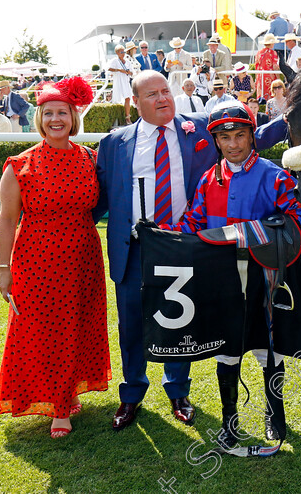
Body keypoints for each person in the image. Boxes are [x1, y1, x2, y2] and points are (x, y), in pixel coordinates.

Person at [163, 101, 301, 449]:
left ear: (251, 136)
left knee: (267, 351)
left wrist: (254, 233)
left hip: (264, 281)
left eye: (240, 135)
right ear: (216, 140)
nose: (233, 144)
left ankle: (275, 414)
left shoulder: (274, 175)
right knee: (226, 351)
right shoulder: (207, 179)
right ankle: (229, 420)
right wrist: (162, 235)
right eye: (225, 137)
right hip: (223, 280)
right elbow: (192, 225)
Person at [93, 71, 220, 432]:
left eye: (167, 91)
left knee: (178, 322)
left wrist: (290, 119)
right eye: (152, 94)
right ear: (136, 102)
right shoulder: (115, 142)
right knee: (131, 325)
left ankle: (178, 391)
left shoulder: (199, 128)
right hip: (133, 248)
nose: (163, 98)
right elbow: (99, 197)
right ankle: (131, 394)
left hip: (182, 247)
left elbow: (247, 137)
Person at [0, 76, 110, 438]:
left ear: (74, 118)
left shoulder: (90, 160)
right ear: (39, 118)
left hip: (83, 258)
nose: (55, 120)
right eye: (48, 114)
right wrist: (3, 269)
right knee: (43, 331)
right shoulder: (20, 165)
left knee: (78, 326)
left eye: (63, 112)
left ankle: (68, 392)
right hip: (37, 260)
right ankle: (59, 408)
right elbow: (7, 220)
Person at [107, 44, 135, 124]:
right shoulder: (114, 61)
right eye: (121, 52)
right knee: (117, 99)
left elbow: (132, 72)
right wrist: (119, 70)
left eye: (124, 51)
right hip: (118, 81)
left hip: (125, 81)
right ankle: (117, 119)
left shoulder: (128, 62)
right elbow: (109, 68)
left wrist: (129, 72)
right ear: (117, 53)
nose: (123, 53)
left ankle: (127, 117)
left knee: (128, 98)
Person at [255, 34, 280, 101]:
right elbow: (275, 66)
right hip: (270, 77)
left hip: (260, 77)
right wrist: (278, 78)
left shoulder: (259, 53)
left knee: (261, 98)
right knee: (271, 97)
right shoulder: (273, 53)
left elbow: (256, 66)